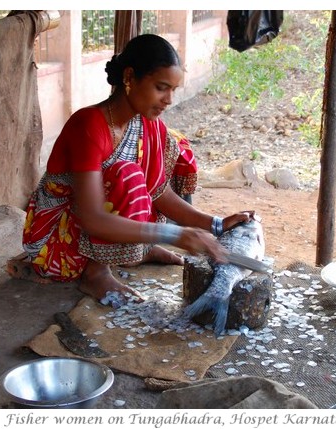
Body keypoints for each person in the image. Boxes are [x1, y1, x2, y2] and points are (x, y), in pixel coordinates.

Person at [22, 34, 253, 306]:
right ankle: (95, 272)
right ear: (130, 77)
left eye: (173, 90)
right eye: (161, 87)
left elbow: (158, 193)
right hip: (59, 240)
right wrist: (174, 234)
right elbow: (93, 218)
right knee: (127, 176)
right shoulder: (88, 125)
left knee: (177, 145)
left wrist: (215, 224)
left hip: (98, 229)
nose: (168, 99)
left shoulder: (148, 124)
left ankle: (136, 249)